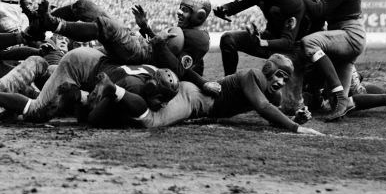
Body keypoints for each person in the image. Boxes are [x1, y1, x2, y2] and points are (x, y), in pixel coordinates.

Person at [98, 53, 324, 135]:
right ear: (269, 69)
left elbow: (270, 113)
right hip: (194, 98)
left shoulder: (271, 95)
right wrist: (297, 128)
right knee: (150, 121)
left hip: (198, 104)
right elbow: (264, 109)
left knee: (141, 115)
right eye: (279, 75)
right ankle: (111, 91)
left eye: (285, 78)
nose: (281, 81)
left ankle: (102, 98)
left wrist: (294, 118)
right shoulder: (252, 75)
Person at [293, 0, 366, 122]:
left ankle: (340, 96)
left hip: (350, 34)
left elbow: (320, 11)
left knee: (309, 42)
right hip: (338, 32)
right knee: (346, 99)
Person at [214, 0, 307, 76]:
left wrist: (262, 42)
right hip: (268, 38)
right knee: (228, 39)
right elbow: (234, 6)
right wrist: (224, 9)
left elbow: (288, 42)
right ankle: (229, 81)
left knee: (274, 80)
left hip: (293, 47)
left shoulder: (292, 1)